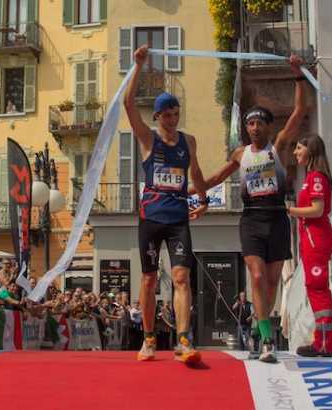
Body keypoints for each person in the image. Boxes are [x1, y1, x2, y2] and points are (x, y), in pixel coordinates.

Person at [190, 55, 307, 363]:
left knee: (272, 282)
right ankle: (267, 339)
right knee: (256, 277)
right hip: (252, 218)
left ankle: (258, 327)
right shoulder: (240, 154)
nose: (254, 128)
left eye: (259, 123)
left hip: (277, 217)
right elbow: (215, 179)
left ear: (268, 126)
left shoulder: (278, 147)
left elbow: (298, 113)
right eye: (250, 123)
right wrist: (187, 191)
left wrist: (298, 75)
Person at [124, 45, 208, 363]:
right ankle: (148, 339)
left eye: (176, 114)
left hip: (178, 219)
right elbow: (128, 103)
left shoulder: (189, 141)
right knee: (148, 279)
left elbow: (196, 173)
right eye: (167, 115)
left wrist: (203, 199)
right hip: (151, 217)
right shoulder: (148, 138)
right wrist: (138, 66)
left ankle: (183, 340)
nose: (173, 119)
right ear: (157, 116)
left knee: (182, 277)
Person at [287, 135, 332, 357]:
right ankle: (322, 340)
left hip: (316, 239)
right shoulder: (310, 176)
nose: (295, 152)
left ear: (311, 150)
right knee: (314, 288)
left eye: (299, 148)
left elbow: (317, 209)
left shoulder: (316, 177)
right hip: (311, 239)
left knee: (317, 288)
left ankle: (325, 343)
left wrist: (290, 210)